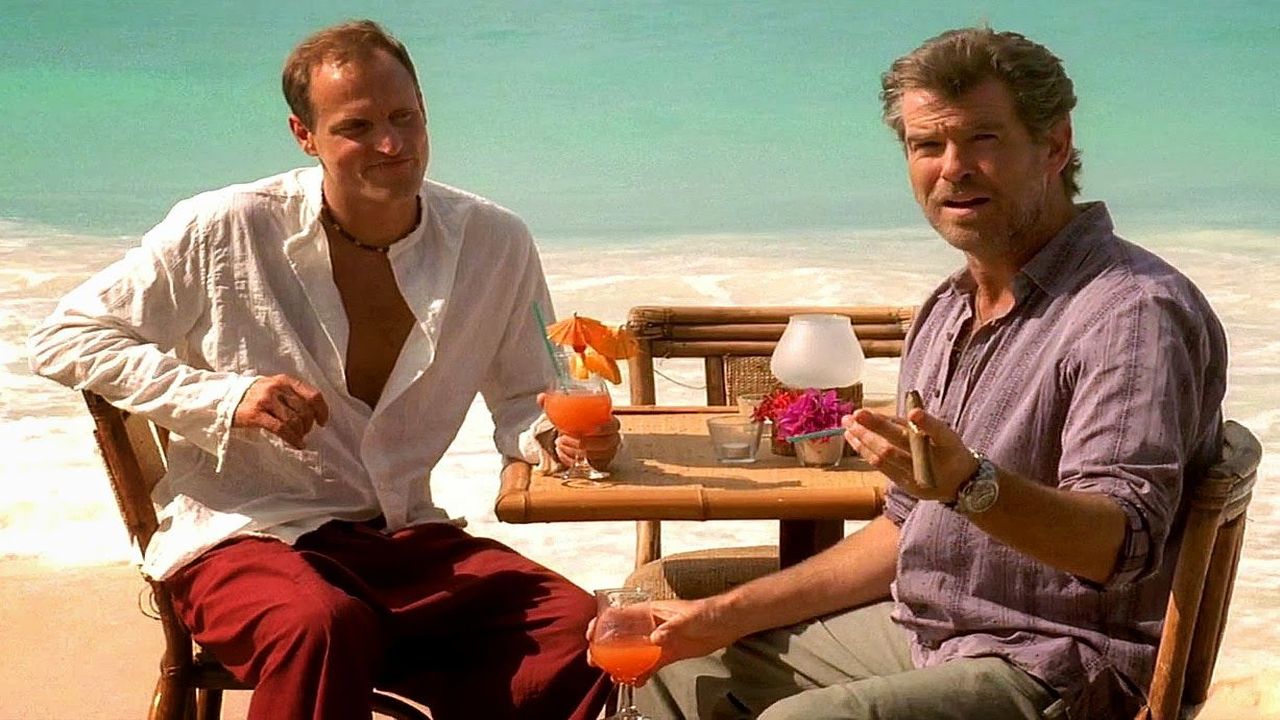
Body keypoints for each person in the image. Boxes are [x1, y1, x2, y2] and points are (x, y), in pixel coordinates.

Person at [629, 27, 1228, 720]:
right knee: (671, 669)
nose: (954, 168)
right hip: (930, 632)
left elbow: (1117, 545)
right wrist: (720, 614)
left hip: (1064, 663)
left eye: (983, 139)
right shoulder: (947, 310)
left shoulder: (1130, 314)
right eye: (927, 145)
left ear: (1055, 146)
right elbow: (904, 527)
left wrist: (971, 485)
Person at [28, 19, 619, 720]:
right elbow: (64, 337)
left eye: (403, 117)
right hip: (246, 536)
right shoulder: (225, 226)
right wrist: (225, 398)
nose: (391, 144)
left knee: (578, 631)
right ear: (304, 135)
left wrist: (561, 440)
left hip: (403, 540)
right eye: (357, 127)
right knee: (324, 626)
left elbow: (528, 398)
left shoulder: (494, 241)